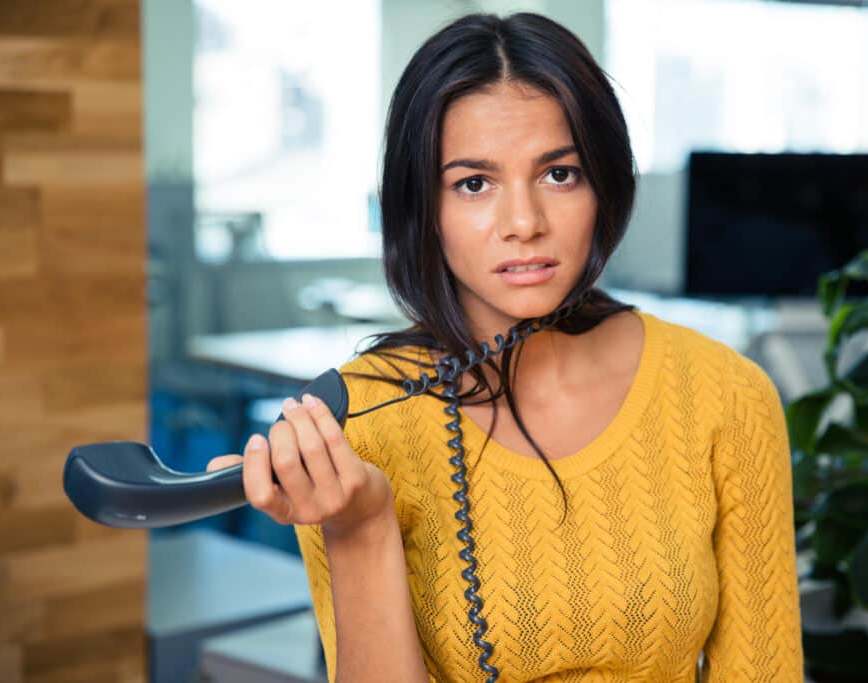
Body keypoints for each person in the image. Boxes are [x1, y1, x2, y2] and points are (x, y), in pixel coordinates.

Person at [208, 12, 804, 683]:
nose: (524, 223)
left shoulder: (724, 392)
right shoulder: (357, 418)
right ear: (422, 205)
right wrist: (362, 526)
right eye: (474, 183)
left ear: (603, 181)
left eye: (560, 174)